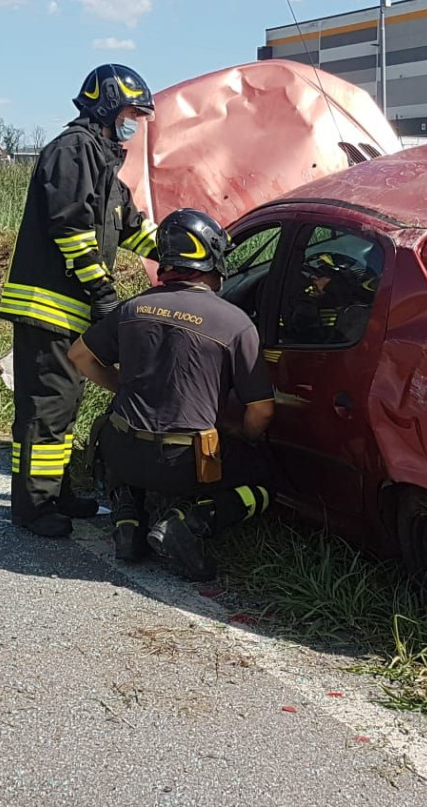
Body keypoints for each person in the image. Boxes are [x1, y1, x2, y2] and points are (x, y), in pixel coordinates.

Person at [69, 209, 276, 581]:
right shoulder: (234, 323)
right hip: (187, 466)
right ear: (210, 259)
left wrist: (122, 387)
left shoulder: (132, 308)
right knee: (263, 482)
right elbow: (261, 410)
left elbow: (80, 356)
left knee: (114, 423)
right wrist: (245, 438)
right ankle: (189, 524)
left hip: (123, 453)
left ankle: (128, 521)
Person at [0, 64, 161, 537]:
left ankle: (58, 491)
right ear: (109, 105)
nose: (136, 122)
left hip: (70, 309)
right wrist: (104, 293)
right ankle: (33, 507)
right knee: (45, 409)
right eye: (133, 111)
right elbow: (71, 231)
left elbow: (130, 227)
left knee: (64, 408)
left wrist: (179, 254)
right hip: (47, 306)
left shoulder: (103, 159)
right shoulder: (72, 152)